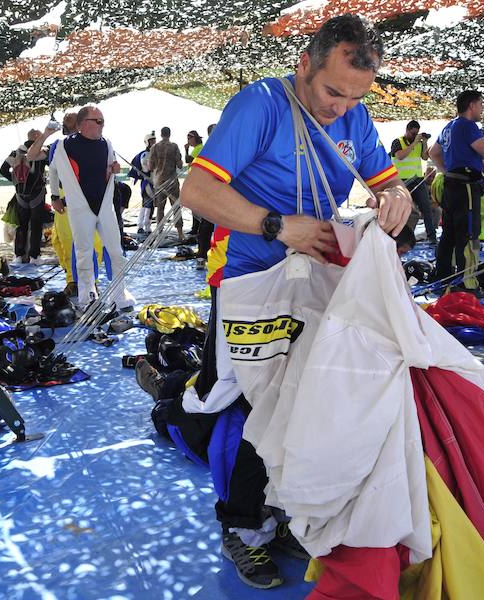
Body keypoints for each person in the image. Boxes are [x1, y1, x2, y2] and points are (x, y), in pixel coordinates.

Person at [179, 14, 412, 589]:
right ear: (305, 63)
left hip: (314, 280)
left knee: (312, 395)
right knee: (248, 403)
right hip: (251, 280)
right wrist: (277, 226)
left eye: (355, 96)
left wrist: (397, 196)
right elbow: (197, 190)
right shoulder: (260, 105)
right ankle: (240, 524)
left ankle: (283, 509)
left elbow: (383, 178)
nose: (340, 108)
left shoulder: (353, 114)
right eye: (333, 92)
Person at [33, 106, 134, 310]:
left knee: (116, 250)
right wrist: (54, 196)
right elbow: (43, 163)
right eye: (98, 121)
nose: (102, 125)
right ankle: (87, 295)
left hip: (105, 206)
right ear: (83, 124)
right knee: (83, 252)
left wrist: (115, 169)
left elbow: (110, 168)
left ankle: (119, 292)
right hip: (79, 207)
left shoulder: (107, 143)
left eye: (103, 121)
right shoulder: (62, 146)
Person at [428, 91, 484, 295]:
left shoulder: (449, 127)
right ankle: (467, 284)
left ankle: (443, 278)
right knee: (468, 234)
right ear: (472, 105)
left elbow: (433, 152)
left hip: (451, 185)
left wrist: (446, 171)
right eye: (480, 104)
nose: (481, 109)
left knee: (448, 234)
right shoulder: (467, 125)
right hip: (466, 187)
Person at [0, 129, 47, 263]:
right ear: (37, 137)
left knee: (21, 225)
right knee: (36, 225)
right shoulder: (40, 152)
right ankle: (34, 256)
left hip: (20, 195)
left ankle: (19, 255)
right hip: (37, 193)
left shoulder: (16, 152)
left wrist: (16, 181)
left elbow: (3, 170)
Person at [390, 120, 436, 243]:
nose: (414, 136)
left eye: (416, 134)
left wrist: (425, 143)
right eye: (412, 133)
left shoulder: (419, 144)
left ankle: (432, 236)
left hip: (417, 179)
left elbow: (425, 157)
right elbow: (400, 156)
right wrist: (415, 142)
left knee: (426, 208)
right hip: (402, 181)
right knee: (402, 210)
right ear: (407, 130)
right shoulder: (397, 142)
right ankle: (398, 236)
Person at [149, 126, 185, 241]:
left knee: (160, 208)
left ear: (161, 134)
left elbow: (151, 166)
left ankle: (160, 233)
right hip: (172, 181)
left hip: (159, 181)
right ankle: (180, 233)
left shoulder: (154, 147)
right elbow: (179, 164)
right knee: (176, 207)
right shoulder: (174, 146)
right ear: (169, 134)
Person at [195, 124, 219, 269]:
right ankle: (202, 256)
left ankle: (207, 256)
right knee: (206, 227)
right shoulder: (207, 150)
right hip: (211, 194)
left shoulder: (227, 147)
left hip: (224, 193)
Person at [131, 132, 157, 237]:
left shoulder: (153, 153)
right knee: (148, 205)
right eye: (151, 141)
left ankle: (141, 225)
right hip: (148, 182)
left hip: (153, 181)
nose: (153, 143)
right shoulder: (145, 154)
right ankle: (146, 226)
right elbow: (146, 169)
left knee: (146, 204)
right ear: (147, 142)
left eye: (154, 140)